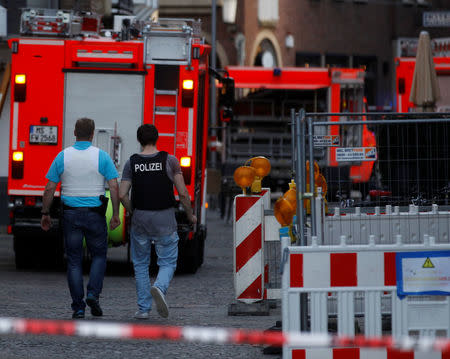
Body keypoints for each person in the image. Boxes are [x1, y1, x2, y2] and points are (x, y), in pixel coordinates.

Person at [41, 117, 120, 319]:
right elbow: (114, 186)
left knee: (74, 261)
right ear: (93, 135)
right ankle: (93, 294)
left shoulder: (63, 156)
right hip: (95, 215)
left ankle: (78, 307)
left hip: (70, 215)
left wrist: (45, 212)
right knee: (99, 256)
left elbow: (50, 187)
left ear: (75, 133)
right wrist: (116, 213)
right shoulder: (102, 157)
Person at [119, 124, 196, 320]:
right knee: (168, 261)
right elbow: (183, 194)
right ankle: (160, 287)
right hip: (164, 217)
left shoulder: (132, 163)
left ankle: (143, 309)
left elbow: (122, 194)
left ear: (139, 140)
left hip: (141, 219)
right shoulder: (169, 161)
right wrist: (190, 215)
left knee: (141, 263)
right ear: (157, 138)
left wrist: (132, 212)